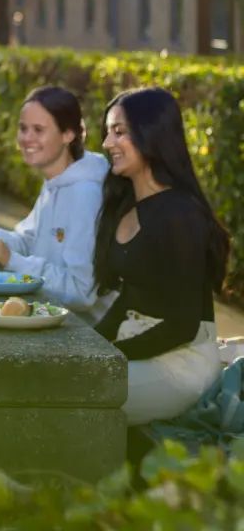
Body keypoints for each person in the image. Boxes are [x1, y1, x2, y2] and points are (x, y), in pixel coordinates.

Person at [91, 87, 227, 426]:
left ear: (153, 134)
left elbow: (182, 325)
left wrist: (109, 357)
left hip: (182, 362)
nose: (107, 143)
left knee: (79, 394)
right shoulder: (124, 209)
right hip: (138, 344)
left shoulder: (181, 214)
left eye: (119, 132)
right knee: (63, 380)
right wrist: (88, 346)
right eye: (108, 132)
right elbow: (129, 297)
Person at [0, 87, 111, 323]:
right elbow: (29, 240)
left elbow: (81, 292)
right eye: (23, 128)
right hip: (53, 317)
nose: (26, 138)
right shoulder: (56, 181)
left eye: (38, 130)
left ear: (68, 134)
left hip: (90, 333)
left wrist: (11, 260)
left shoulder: (85, 194)